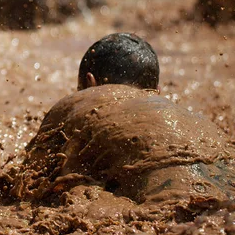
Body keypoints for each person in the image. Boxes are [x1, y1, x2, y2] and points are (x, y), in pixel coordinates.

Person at [14, 33, 235, 206]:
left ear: (90, 84)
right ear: (155, 91)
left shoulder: (82, 102)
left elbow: (26, 187)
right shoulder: (201, 123)